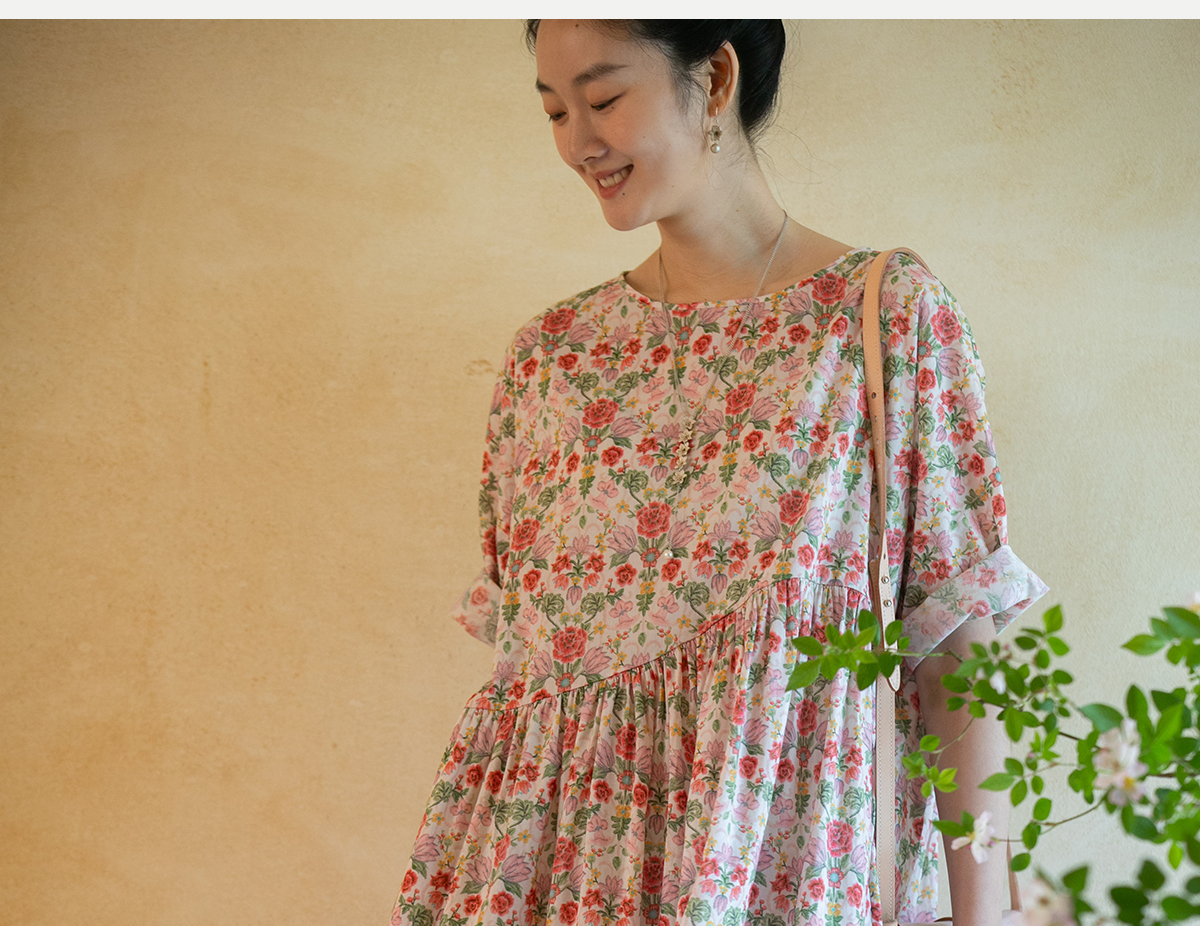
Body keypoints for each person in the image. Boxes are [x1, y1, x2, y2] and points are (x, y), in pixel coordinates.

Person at [390, 20, 1047, 926]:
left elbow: (955, 654)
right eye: (554, 112)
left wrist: (992, 916)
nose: (578, 142)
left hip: (778, 879)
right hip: (538, 885)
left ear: (717, 78)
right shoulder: (551, 358)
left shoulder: (881, 318)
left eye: (603, 98)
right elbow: (523, 693)